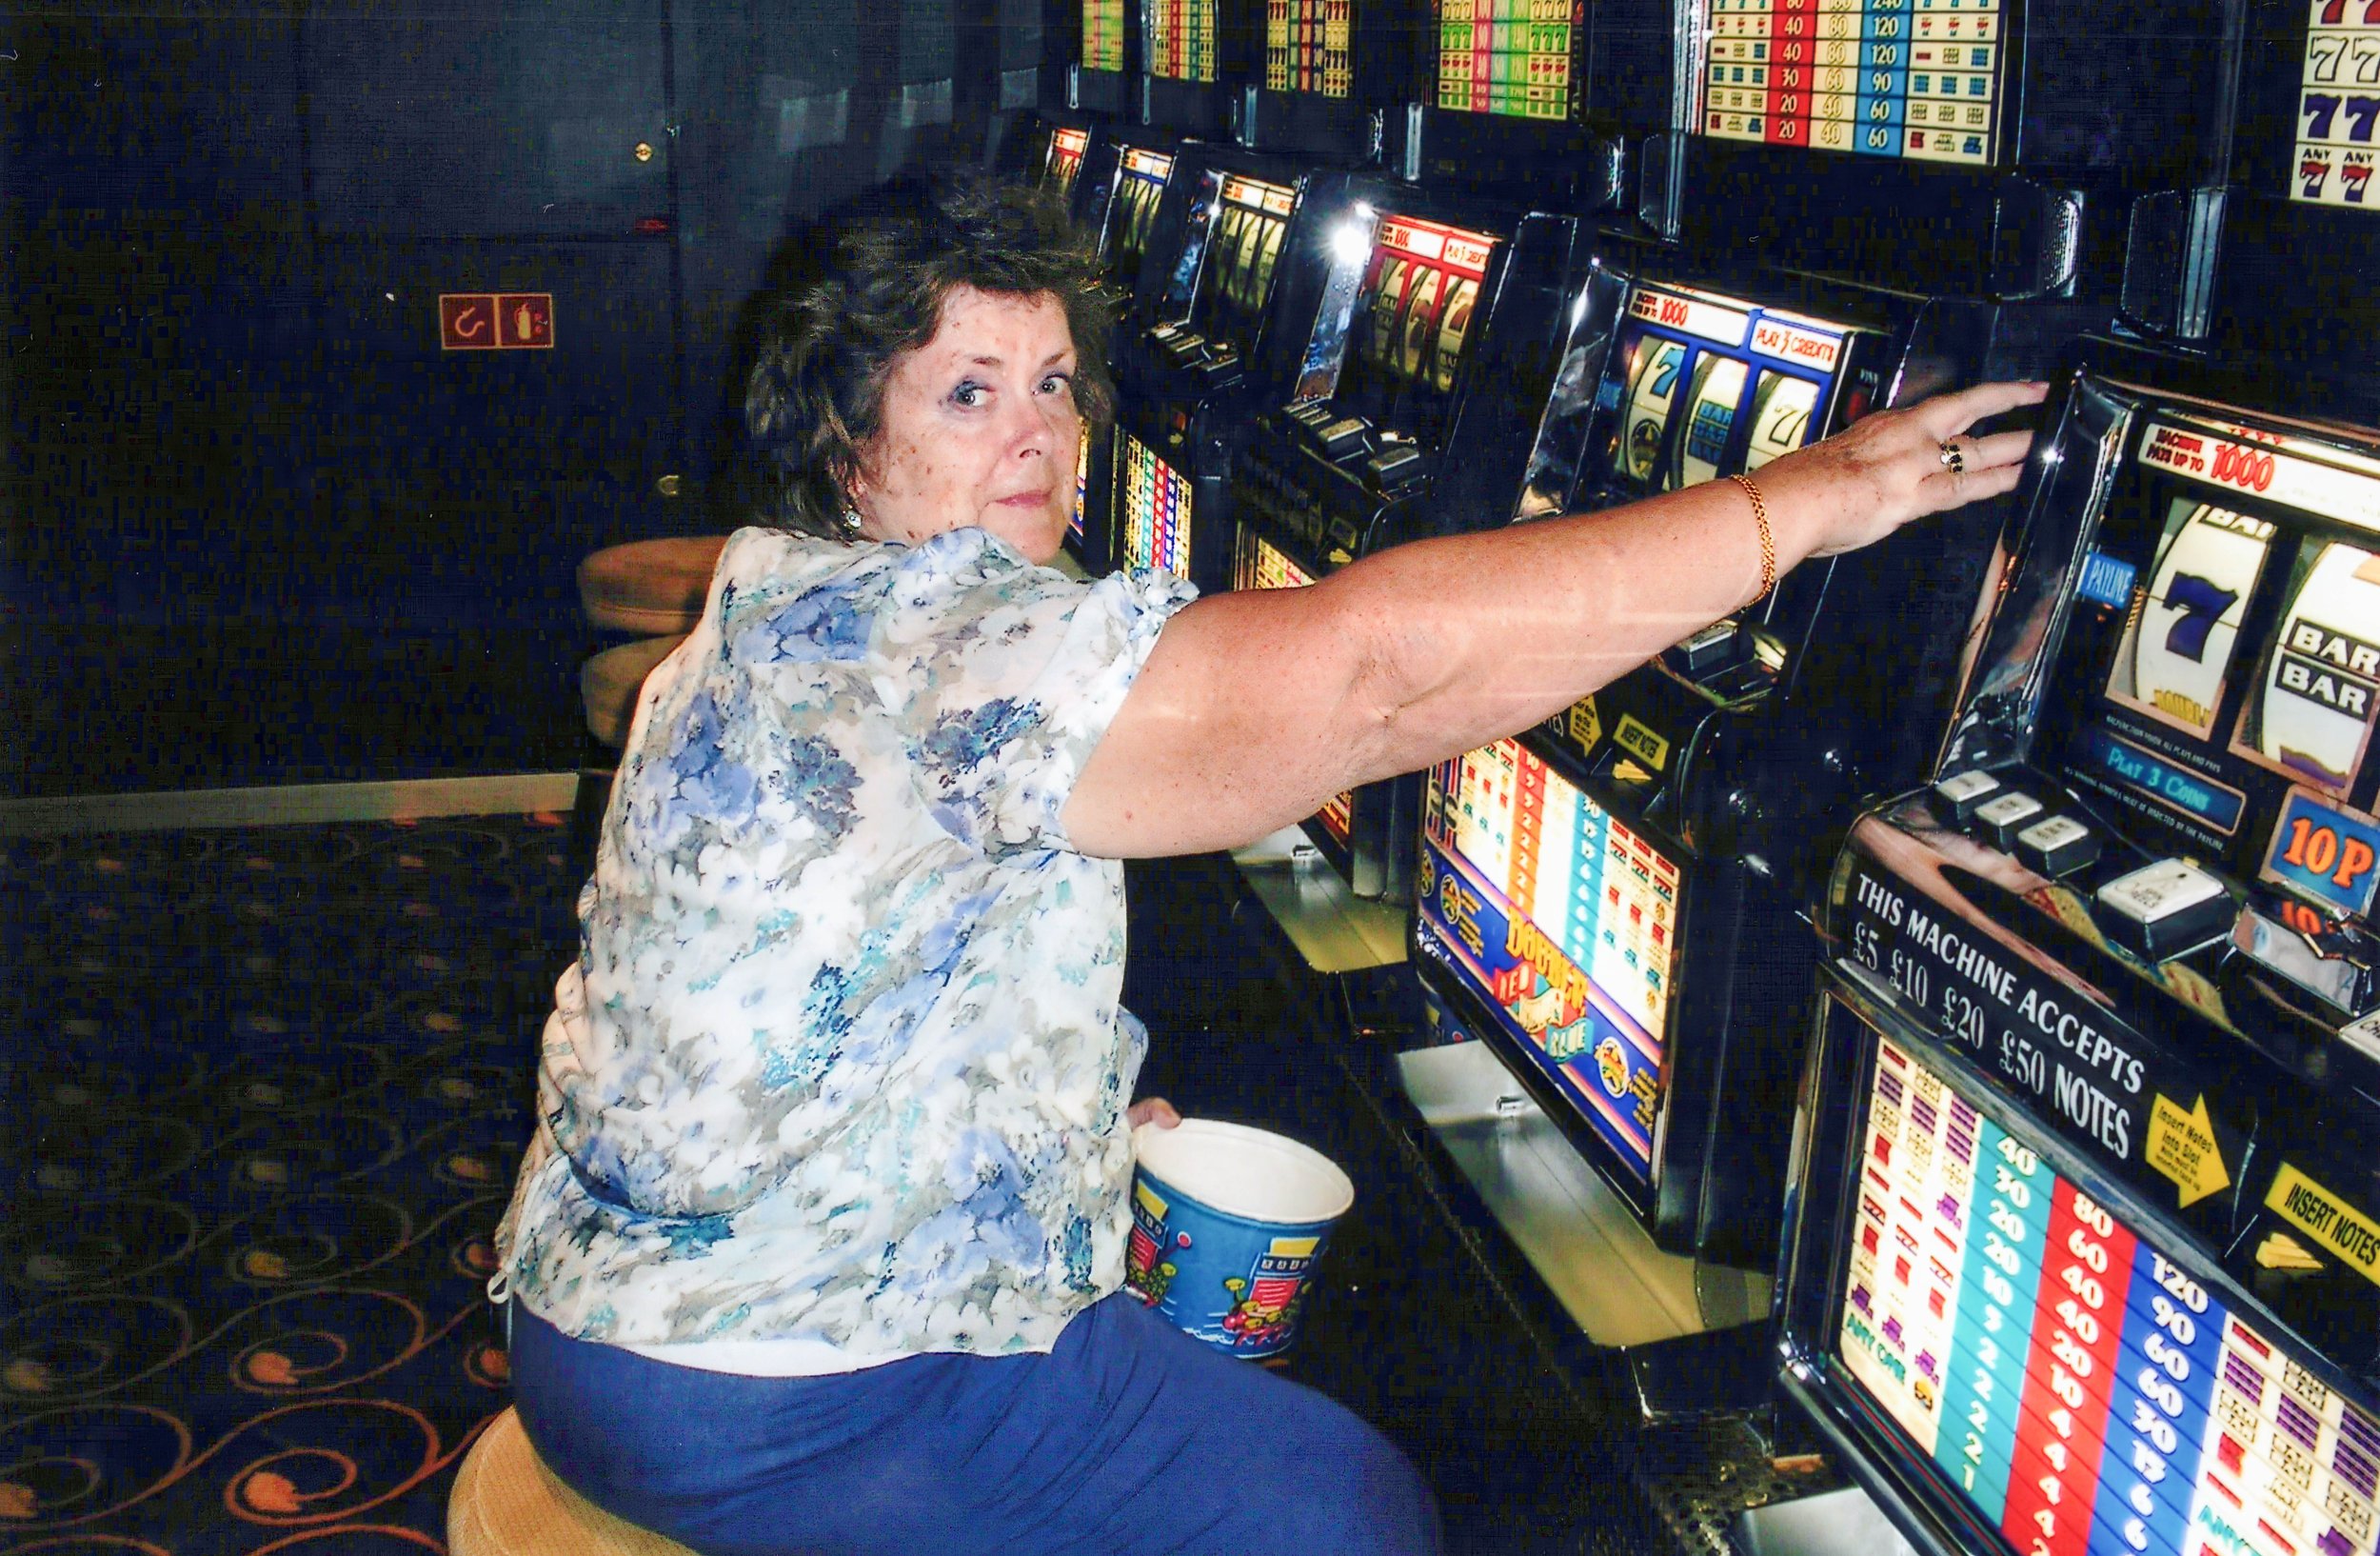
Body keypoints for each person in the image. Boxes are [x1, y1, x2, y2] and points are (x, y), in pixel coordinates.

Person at [491, 170, 2042, 1556]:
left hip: (615, 1306)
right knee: (1342, 1504)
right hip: (779, 1384)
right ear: (848, 442)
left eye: (1053, 382)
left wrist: (1056, 1134)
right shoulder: (943, 648)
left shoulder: (788, 599)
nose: (1036, 431)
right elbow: (1378, 681)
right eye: (967, 392)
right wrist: (1812, 502)